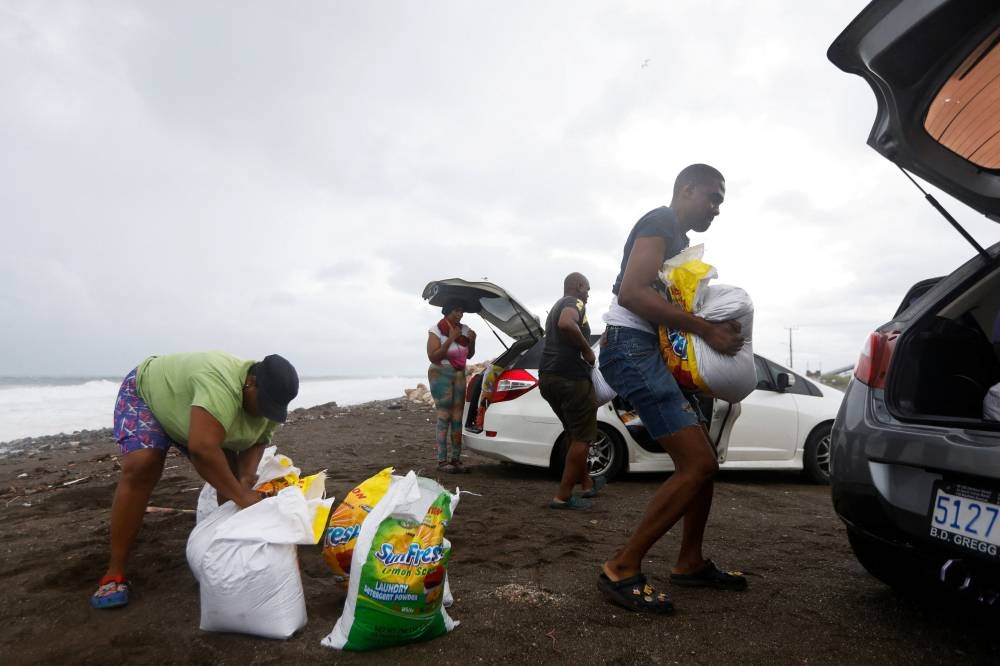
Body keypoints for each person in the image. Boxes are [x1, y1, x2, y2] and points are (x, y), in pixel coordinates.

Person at [596, 164, 747, 614]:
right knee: (696, 462)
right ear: (686, 190)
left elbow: (657, 298)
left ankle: (689, 562)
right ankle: (621, 568)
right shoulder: (660, 220)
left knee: (704, 460)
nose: (717, 209)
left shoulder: (680, 241)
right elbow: (631, 294)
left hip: (650, 349)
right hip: (630, 348)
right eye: (712, 198)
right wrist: (707, 329)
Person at [90, 351, 299, 609]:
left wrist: (245, 480)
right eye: (264, 403)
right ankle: (115, 571)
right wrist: (243, 495)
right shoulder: (219, 384)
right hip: (148, 395)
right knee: (144, 465)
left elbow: (257, 441)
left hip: (195, 415)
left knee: (233, 482)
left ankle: (230, 562)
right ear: (251, 382)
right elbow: (202, 449)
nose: (265, 411)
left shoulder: (267, 404)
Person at [538, 272, 606, 509]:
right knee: (583, 437)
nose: (588, 294)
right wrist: (588, 350)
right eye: (586, 288)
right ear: (578, 286)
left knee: (573, 433)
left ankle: (587, 484)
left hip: (548, 378)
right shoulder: (573, 303)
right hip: (571, 379)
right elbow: (567, 323)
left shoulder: (557, 305)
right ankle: (563, 496)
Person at [426, 300, 476, 473]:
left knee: (457, 417)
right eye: (456, 311)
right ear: (447, 311)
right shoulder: (436, 330)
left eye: (461, 311)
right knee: (444, 415)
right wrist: (451, 339)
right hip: (440, 373)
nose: (460, 314)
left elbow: (469, 355)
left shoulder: (465, 329)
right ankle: (442, 461)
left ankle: (455, 459)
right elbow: (433, 356)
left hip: (459, 373)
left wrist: (472, 341)